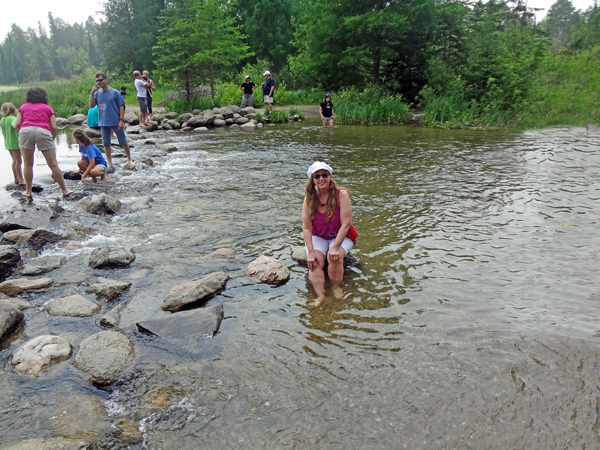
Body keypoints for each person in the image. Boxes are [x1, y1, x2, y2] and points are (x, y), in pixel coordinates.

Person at [302, 161, 354, 306]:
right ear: (312, 180)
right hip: (318, 235)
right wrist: (311, 252)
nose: (321, 179)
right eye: (317, 176)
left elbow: (346, 224)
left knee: (334, 257)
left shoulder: (341, 195)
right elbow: (306, 227)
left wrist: (336, 247)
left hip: (339, 235)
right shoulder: (309, 198)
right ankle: (320, 295)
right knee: (315, 261)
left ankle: (336, 287)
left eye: (324, 175)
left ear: (330, 176)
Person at [14, 87, 73, 200]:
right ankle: (64, 190)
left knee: (27, 164)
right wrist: (52, 138)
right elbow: (54, 127)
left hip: (26, 131)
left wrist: (24, 130)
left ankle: (28, 191)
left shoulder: (23, 107)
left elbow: (17, 124)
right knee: (53, 164)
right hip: (43, 131)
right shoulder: (48, 108)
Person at [89, 72, 135, 170]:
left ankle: (129, 159)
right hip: (103, 122)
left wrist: (121, 120)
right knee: (106, 143)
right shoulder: (97, 93)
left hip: (115, 121)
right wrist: (92, 93)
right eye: (97, 81)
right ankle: (110, 163)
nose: (98, 82)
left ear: (106, 79)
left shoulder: (115, 92)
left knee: (123, 141)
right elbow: (92, 105)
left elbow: (121, 107)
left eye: (100, 80)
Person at [0, 102, 24, 186]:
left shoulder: (2, 119)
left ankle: (16, 178)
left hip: (8, 143)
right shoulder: (12, 118)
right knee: (19, 161)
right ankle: (21, 179)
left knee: (14, 160)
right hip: (15, 142)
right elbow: (15, 126)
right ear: (14, 110)